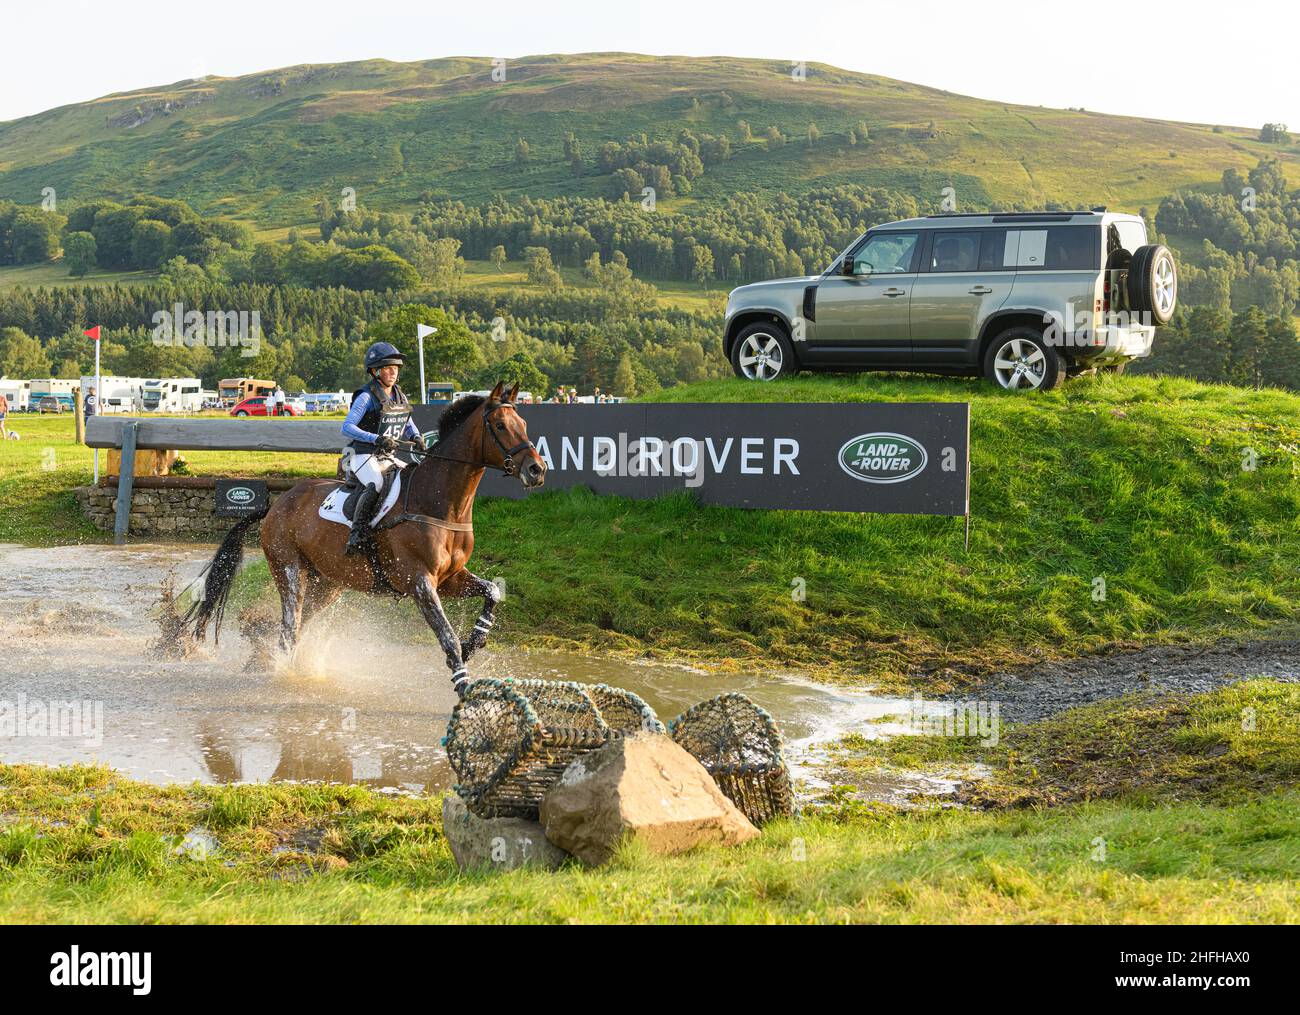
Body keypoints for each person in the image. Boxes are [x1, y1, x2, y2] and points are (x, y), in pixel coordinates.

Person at [340, 342, 423, 555]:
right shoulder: (366, 396)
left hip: (387, 456)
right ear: (375, 371)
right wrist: (377, 438)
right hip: (363, 455)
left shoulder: (399, 395)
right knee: (376, 483)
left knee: (413, 477)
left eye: (395, 368)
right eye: (387, 368)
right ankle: (356, 535)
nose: (393, 372)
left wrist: (416, 436)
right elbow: (347, 427)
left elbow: (406, 421)